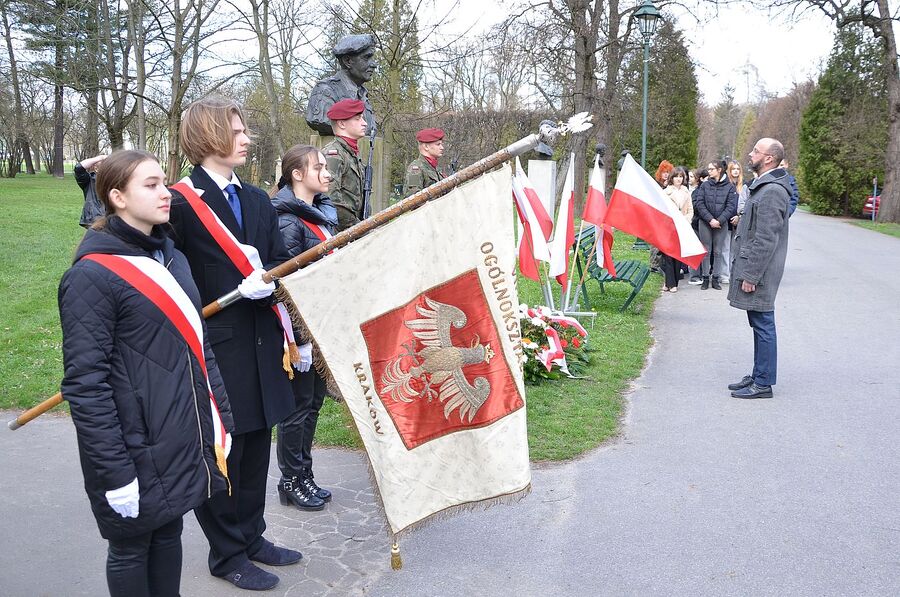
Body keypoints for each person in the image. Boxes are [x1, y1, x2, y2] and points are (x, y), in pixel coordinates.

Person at [58, 150, 233, 596]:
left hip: (178, 433)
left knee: (169, 531)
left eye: (164, 182)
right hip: (130, 443)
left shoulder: (172, 258)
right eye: (151, 185)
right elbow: (85, 385)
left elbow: (200, 347)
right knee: (131, 547)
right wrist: (113, 472)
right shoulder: (91, 276)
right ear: (117, 197)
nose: (165, 193)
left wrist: (220, 420)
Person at [167, 96, 300, 591]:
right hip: (217, 346)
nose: (247, 139)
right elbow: (168, 275)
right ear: (209, 135)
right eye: (238, 131)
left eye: (245, 131)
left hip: (263, 340)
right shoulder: (180, 203)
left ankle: (251, 536)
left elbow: (276, 259)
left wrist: (273, 284)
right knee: (225, 452)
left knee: (258, 443)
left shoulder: (259, 199)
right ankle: (226, 553)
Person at [271, 144, 338, 512]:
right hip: (300, 332)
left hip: (320, 323)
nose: (326, 174)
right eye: (318, 168)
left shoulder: (317, 214)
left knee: (312, 404)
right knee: (297, 408)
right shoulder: (288, 220)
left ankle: (305, 474)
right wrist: (299, 339)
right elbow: (286, 284)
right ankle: (290, 480)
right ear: (297, 175)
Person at [728, 138, 792, 399]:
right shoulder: (764, 186)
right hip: (757, 269)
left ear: (768, 158)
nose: (750, 154)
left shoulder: (773, 191)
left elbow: (766, 239)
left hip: (761, 272)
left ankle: (763, 383)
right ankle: (758, 374)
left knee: (763, 323)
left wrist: (751, 275)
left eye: (756, 151)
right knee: (758, 322)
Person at [305, 34, 377, 136]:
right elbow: (321, 121)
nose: (374, 64)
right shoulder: (325, 91)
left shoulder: (363, 95)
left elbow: (370, 130)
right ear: (348, 61)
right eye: (366, 58)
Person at [323, 98, 368, 232]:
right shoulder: (334, 154)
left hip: (352, 230)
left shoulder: (351, 153)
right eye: (358, 119)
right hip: (339, 231)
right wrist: (358, 227)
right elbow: (330, 197)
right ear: (342, 124)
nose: (364, 123)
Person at [693, 159, 737, 290]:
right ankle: (705, 278)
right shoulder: (704, 185)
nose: (709, 171)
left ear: (719, 170)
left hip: (721, 224)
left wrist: (719, 220)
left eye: (711, 169)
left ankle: (716, 279)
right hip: (705, 222)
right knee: (706, 251)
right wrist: (710, 219)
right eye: (709, 169)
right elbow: (699, 203)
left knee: (718, 251)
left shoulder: (730, 187)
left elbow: (730, 206)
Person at [661, 166, 693, 292]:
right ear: (672, 178)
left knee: (678, 256)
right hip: (669, 227)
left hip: (682, 227)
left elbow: (690, 210)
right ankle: (669, 283)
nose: (679, 179)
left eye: (681, 177)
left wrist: (685, 220)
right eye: (676, 177)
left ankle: (673, 283)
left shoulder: (686, 192)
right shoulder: (666, 192)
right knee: (668, 255)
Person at [404, 128, 446, 195]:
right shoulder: (415, 169)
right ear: (426, 147)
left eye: (441, 144)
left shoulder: (436, 168)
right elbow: (413, 197)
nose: (442, 148)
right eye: (438, 144)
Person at [75, 154, 108, 228]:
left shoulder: (116, 180)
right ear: (96, 169)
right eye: (103, 166)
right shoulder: (89, 181)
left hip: (113, 219)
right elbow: (79, 168)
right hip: (94, 219)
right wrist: (100, 158)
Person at [687, 168, 708, 285]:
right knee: (695, 249)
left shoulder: (706, 190)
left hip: (705, 223)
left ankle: (704, 274)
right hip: (696, 223)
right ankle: (694, 275)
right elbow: (695, 207)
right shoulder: (696, 192)